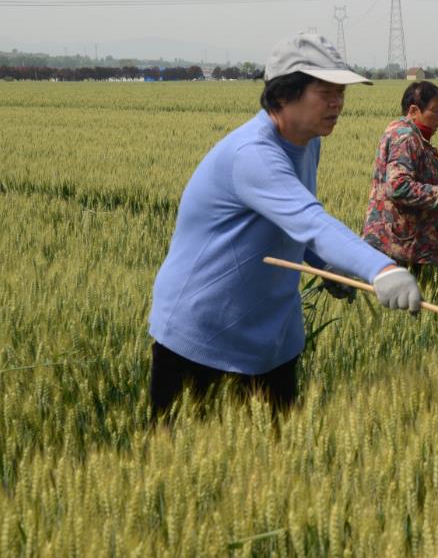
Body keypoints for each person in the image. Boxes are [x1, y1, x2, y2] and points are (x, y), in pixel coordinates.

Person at [147, 32, 422, 419]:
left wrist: (327, 265)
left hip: (271, 337)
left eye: (341, 92)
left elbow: (291, 222)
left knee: (276, 451)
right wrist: (382, 268)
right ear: (282, 95)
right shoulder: (253, 155)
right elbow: (310, 220)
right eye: (325, 92)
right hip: (204, 336)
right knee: (184, 453)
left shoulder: (308, 143)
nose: (338, 102)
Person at [361, 81, 438, 271]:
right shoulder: (405, 137)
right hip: (398, 245)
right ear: (413, 110)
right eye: (435, 111)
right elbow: (398, 187)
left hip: (405, 242)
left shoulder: (412, 136)